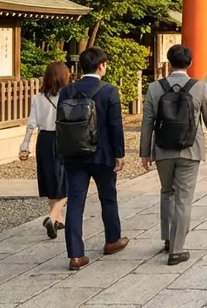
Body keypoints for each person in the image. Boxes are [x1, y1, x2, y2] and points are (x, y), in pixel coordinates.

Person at [140, 44, 207, 265]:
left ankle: (167, 238)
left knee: (167, 192)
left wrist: (145, 152)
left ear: (169, 62)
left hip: (163, 149)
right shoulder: (199, 87)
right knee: (184, 198)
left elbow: (147, 123)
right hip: (190, 149)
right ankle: (177, 250)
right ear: (190, 63)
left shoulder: (155, 88)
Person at [60, 46, 127, 270]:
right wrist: (119, 153)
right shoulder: (108, 91)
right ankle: (112, 239)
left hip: (74, 153)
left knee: (75, 203)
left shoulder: (67, 91)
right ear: (101, 65)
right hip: (102, 153)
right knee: (107, 197)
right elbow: (115, 125)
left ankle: (76, 254)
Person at [19, 61, 70, 239]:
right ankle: (51, 216)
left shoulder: (38, 97)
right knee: (66, 182)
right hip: (62, 138)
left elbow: (31, 123)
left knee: (50, 180)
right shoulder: (67, 96)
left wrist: (25, 145)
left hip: (43, 140)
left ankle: (58, 220)